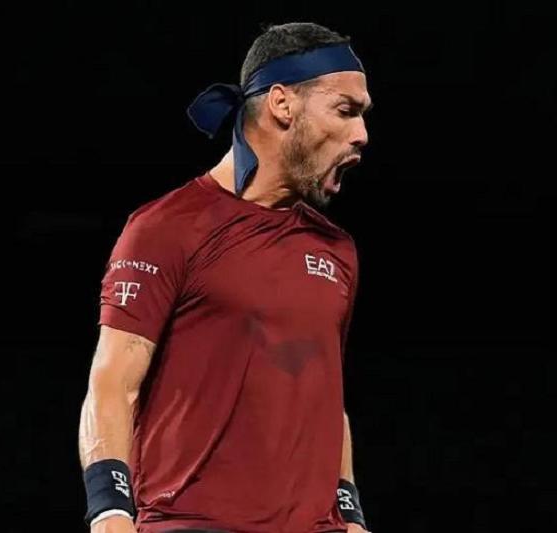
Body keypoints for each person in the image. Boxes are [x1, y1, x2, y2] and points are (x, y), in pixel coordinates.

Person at [78, 21, 373, 533]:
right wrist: (110, 512)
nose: (362, 134)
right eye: (346, 111)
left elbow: (327, 399)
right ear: (282, 104)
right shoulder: (166, 228)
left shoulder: (337, 250)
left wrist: (351, 513)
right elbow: (112, 382)